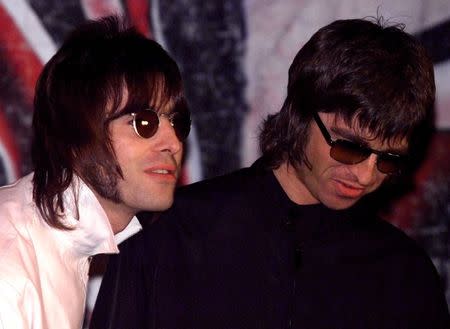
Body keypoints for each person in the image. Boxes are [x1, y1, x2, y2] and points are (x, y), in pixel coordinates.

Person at [91, 18, 449, 329]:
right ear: (300, 114)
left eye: (387, 159)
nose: (366, 174)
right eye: (349, 147)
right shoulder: (169, 234)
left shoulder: (405, 275)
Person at [0, 15, 191, 329]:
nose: (173, 142)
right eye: (144, 123)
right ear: (77, 134)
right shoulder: (11, 272)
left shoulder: (58, 237)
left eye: (177, 122)